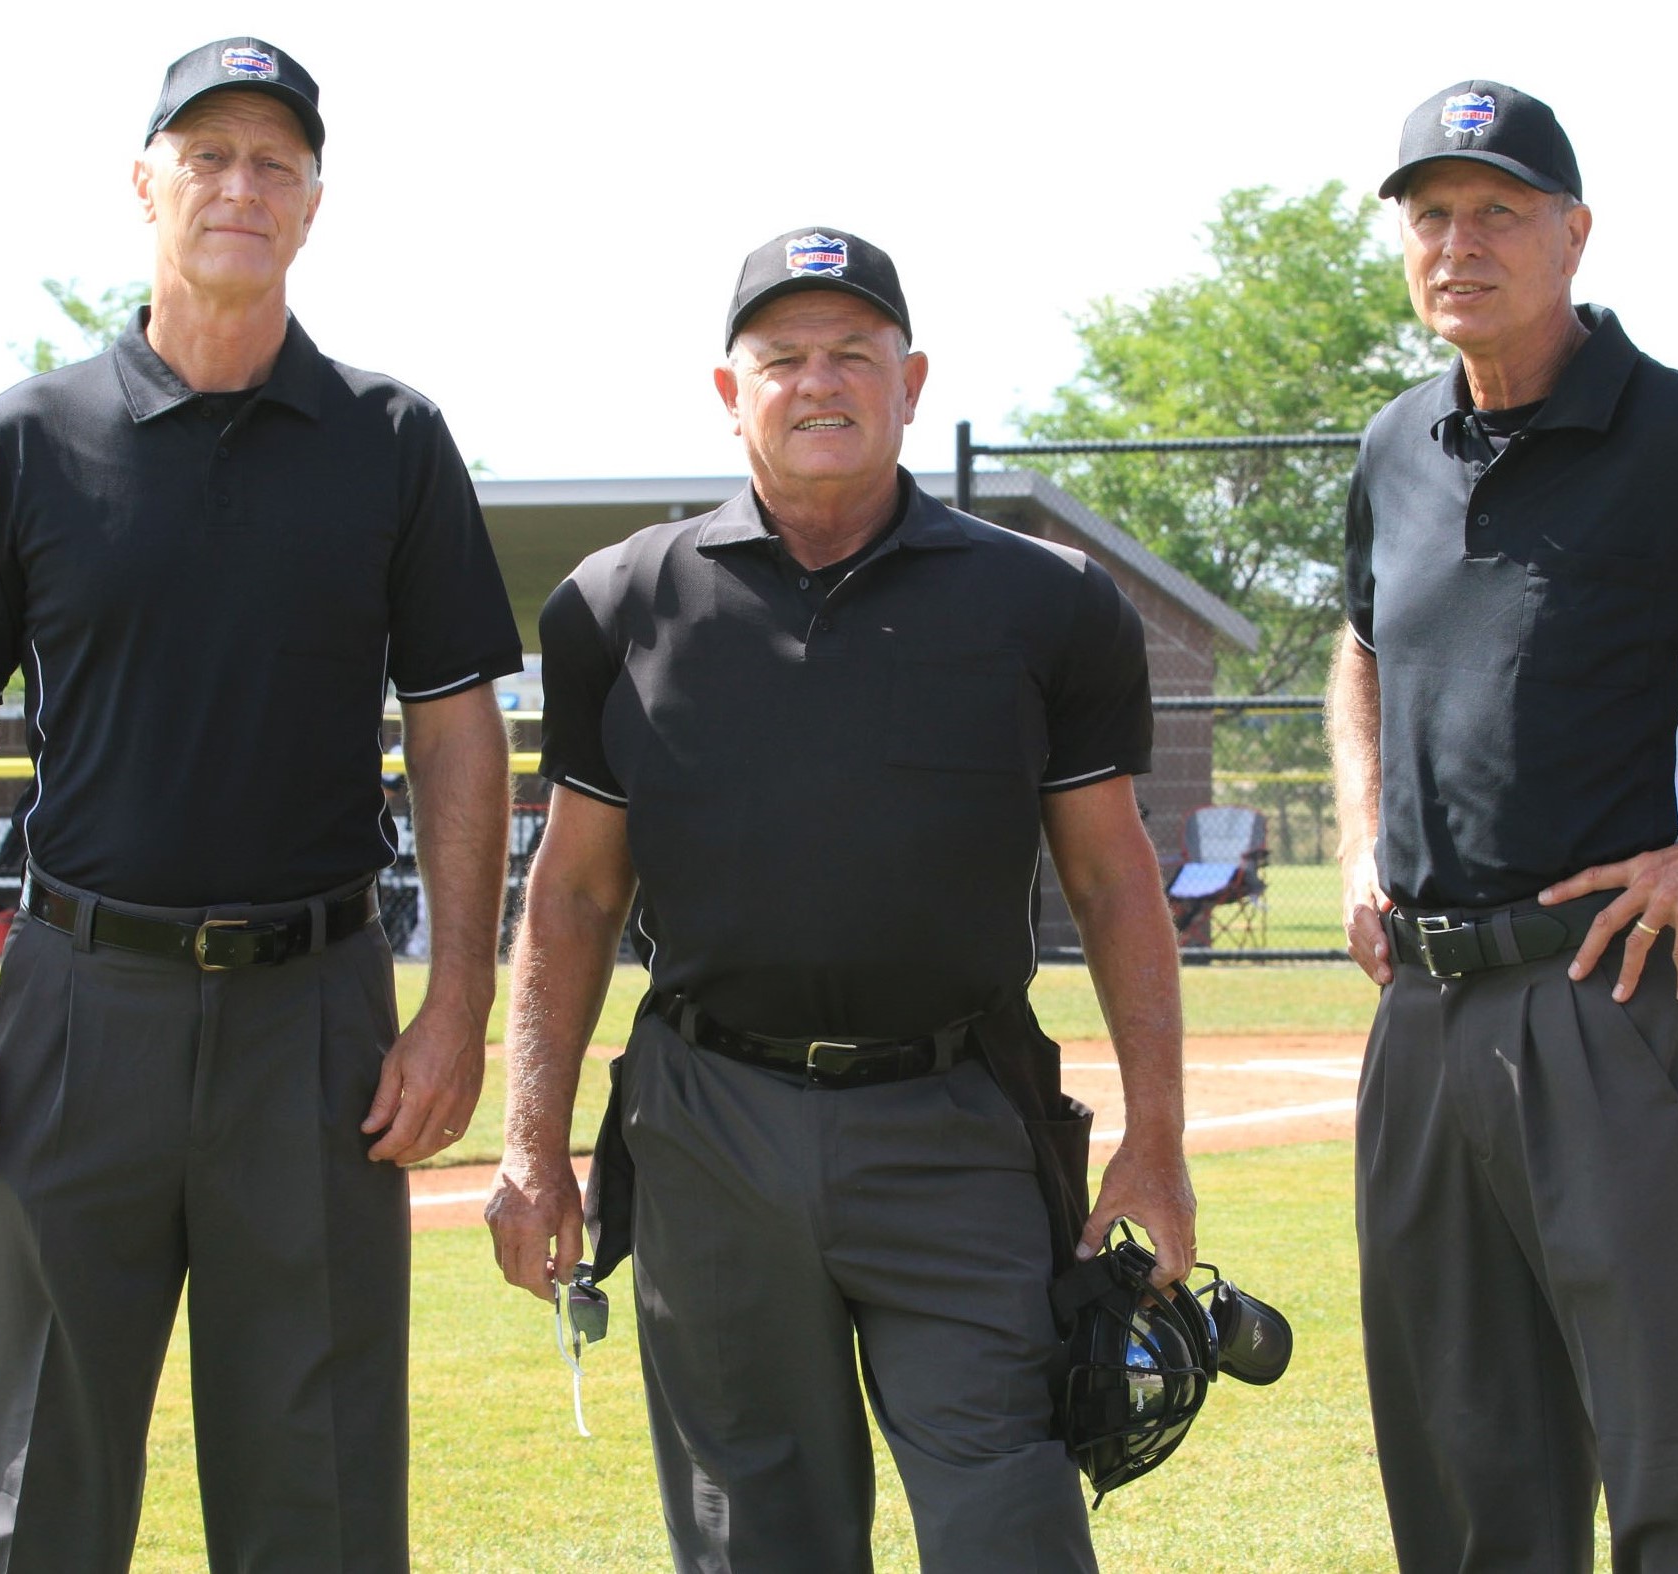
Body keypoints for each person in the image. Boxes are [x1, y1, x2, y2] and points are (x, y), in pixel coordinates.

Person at [485, 227, 1193, 1573]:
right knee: (757, 1539)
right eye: (785, 357)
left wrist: (1153, 1137)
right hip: (709, 1127)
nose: (822, 384)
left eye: (855, 356)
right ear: (726, 387)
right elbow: (571, 896)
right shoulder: (616, 605)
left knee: (1011, 1527)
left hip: (954, 1118)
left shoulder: (1046, 603)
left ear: (911, 380)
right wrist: (532, 1142)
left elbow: (1112, 878)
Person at [0, 38, 521, 1573]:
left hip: (318, 1020)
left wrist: (457, 1002)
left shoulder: (392, 439)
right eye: (205, 154)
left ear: (313, 206)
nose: (238, 184)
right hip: (75, 1011)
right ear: (141, 186)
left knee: (323, 1494)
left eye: (272, 162)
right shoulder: (26, 442)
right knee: (33, 1482)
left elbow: (457, 725)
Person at [1328, 79, 1678, 1572]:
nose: (1457, 243)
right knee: (1464, 1471)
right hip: (1419, 1002)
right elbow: (1357, 643)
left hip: (1610, 996)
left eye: (1498, 212)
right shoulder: (1395, 446)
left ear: (1576, 233)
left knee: (1665, 1461)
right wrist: (1359, 828)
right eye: (1431, 217)